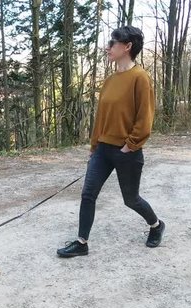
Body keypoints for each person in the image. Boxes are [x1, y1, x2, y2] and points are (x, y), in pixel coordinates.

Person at [57, 26, 165, 258]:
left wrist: (130, 145)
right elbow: (101, 117)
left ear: (127, 47)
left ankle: (156, 225)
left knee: (131, 199)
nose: (108, 48)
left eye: (112, 43)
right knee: (88, 194)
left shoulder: (140, 78)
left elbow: (145, 117)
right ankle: (81, 242)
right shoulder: (109, 80)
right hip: (103, 149)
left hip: (127, 151)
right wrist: (94, 146)